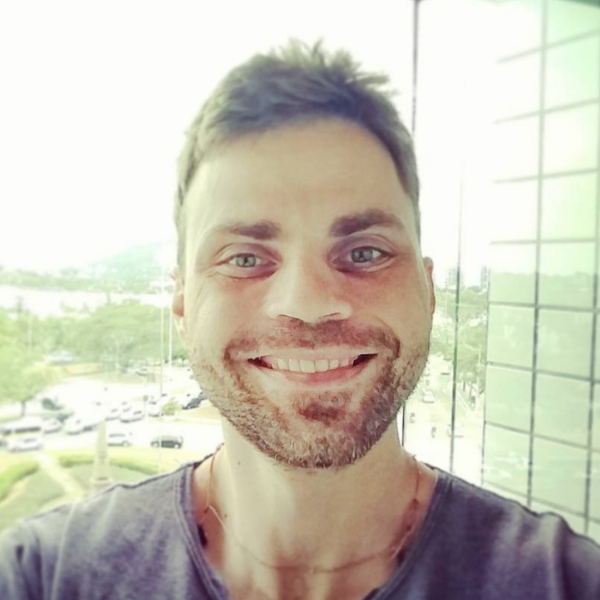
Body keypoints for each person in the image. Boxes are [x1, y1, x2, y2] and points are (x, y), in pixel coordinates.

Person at [1, 40, 599, 600]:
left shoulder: (566, 583)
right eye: (245, 258)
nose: (308, 303)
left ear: (429, 290)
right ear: (182, 305)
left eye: (365, 252)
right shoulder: (44, 576)